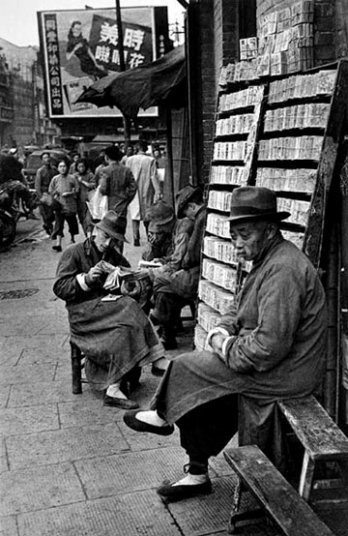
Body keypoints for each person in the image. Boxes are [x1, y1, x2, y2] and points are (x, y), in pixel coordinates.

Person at [123, 186, 328, 503]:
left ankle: (163, 416)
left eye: (244, 234)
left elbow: (268, 349)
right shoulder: (267, 259)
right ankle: (196, 472)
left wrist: (225, 346)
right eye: (234, 235)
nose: (238, 243)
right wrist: (221, 329)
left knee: (185, 368)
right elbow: (237, 308)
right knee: (194, 389)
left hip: (287, 373)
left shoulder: (284, 269)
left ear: (270, 229)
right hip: (272, 364)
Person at [53, 210, 168, 408]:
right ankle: (157, 357)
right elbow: (60, 287)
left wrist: (126, 281)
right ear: (95, 229)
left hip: (107, 312)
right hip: (83, 316)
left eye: (113, 240)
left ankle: (113, 388)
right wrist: (86, 279)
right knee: (129, 305)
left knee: (125, 326)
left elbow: (128, 278)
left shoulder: (113, 255)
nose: (108, 244)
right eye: (106, 237)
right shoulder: (74, 252)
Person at [149, 185, 206, 350]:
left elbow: (188, 256)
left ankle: (158, 322)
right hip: (188, 271)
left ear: (192, 207)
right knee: (161, 287)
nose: (187, 217)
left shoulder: (190, 224)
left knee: (158, 283)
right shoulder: (193, 221)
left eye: (187, 213)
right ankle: (163, 326)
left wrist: (169, 266)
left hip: (191, 274)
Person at [98, 145, 137, 242]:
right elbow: (133, 187)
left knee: (107, 234)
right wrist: (127, 199)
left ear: (106, 157)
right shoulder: (126, 170)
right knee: (119, 235)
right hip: (122, 206)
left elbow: (103, 189)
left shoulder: (105, 170)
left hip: (109, 206)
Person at [126, 140, 161, 246]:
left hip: (133, 189)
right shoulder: (150, 160)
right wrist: (158, 191)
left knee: (134, 214)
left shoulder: (129, 160)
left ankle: (136, 238)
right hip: (147, 188)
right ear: (146, 149)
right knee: (148, 214)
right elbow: (153, 176)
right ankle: (149, 236)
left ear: (136, 149)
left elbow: (127, 175)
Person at [49, 158, 80, 251]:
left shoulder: (72, 178)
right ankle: (58, 244)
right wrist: (55, 194)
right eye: (60, 166)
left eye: (64, 166)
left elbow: (77, 189)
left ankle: (72, 239)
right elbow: (50, 189)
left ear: (67, 168)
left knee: (72, 223)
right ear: (58, 168)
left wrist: (70, 193)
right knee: (59, 224)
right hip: (59, 205)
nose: (62, 168)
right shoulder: (55, 179)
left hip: (70, 205)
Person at [35, 151, 57, 235]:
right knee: (45, 214)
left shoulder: (54, 169)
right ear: (42, 160)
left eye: (48, 157)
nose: (47, 159)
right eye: (45, 158)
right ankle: (50, 228)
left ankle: (48, 225)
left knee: (53, 214)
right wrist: (41, 197)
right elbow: (37, 185)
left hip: (53, 193)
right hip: (44, 194)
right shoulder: (40, 171)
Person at [74, 158, 96, 236]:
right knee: (82, 219)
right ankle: (87, 235)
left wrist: (82, 181)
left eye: (83, 166)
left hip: (89, 201)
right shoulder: (74, 176)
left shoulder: (90, 175)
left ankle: (89, 235)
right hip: (79, 201)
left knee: (89, 219)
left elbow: (93, 185)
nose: (81, 168)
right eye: (79, 167)